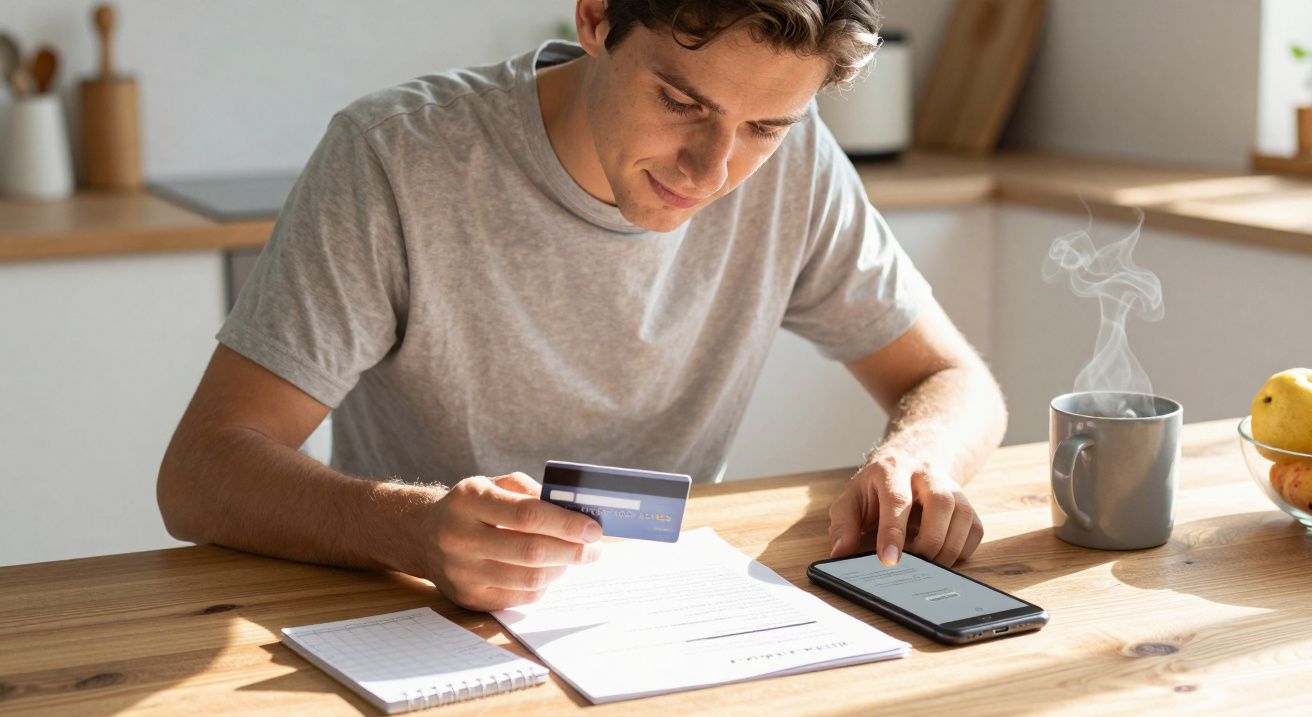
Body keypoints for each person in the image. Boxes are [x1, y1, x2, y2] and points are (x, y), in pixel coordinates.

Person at [157, 0, 1007, 612]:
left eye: (765, 127)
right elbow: (201, 472)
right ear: (595, 18)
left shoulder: (800, 163)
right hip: (420, 619)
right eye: (682, 103)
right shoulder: (396, 160)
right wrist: (413, 531)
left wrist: (919, 454)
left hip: (665, 620)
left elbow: (951, 378)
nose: (712, 171)